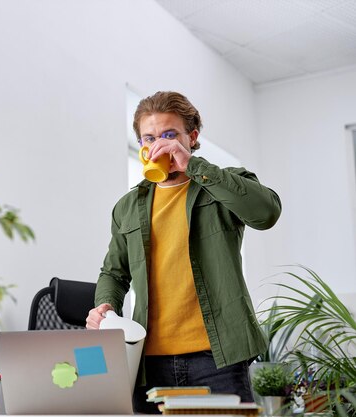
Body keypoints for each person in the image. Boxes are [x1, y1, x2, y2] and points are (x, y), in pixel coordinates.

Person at [86, 91, 281, 413]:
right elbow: (114, 272)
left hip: (217, 359)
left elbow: (265, 213)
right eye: (148, 137)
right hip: (147, 362)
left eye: (169, 134)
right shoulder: (127, 207)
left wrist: (192, 165)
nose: (158, 144)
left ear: (191, 137)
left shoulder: (224, 184)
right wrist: (105, 304)